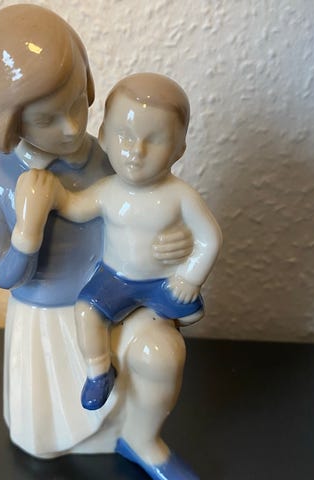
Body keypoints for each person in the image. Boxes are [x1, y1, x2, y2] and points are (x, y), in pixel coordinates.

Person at [0, 5, 198, 479]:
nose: (73, 127)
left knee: (161, 356)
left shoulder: (108, 155)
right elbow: (2, 273)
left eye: (77, 103)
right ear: (9, 123)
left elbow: (149, 205)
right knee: (44, 439)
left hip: (119, 301)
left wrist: (174, 241)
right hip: (45, 321)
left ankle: (142, 438)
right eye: (47, 119)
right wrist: (28, 231)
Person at [25, 73, 222, 415]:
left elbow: (210, 237)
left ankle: (168, 317)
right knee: (86, 311)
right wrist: (55, 195)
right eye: (124, 135)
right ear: (103, 136)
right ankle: (99, 371)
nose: (136, 151)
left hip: (161, 281)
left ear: (179, 149)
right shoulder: (108, 191)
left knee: (190, 312)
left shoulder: (180, 196)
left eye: (155, 140)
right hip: (114, 279)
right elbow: (76, 207)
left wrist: (190, 276)